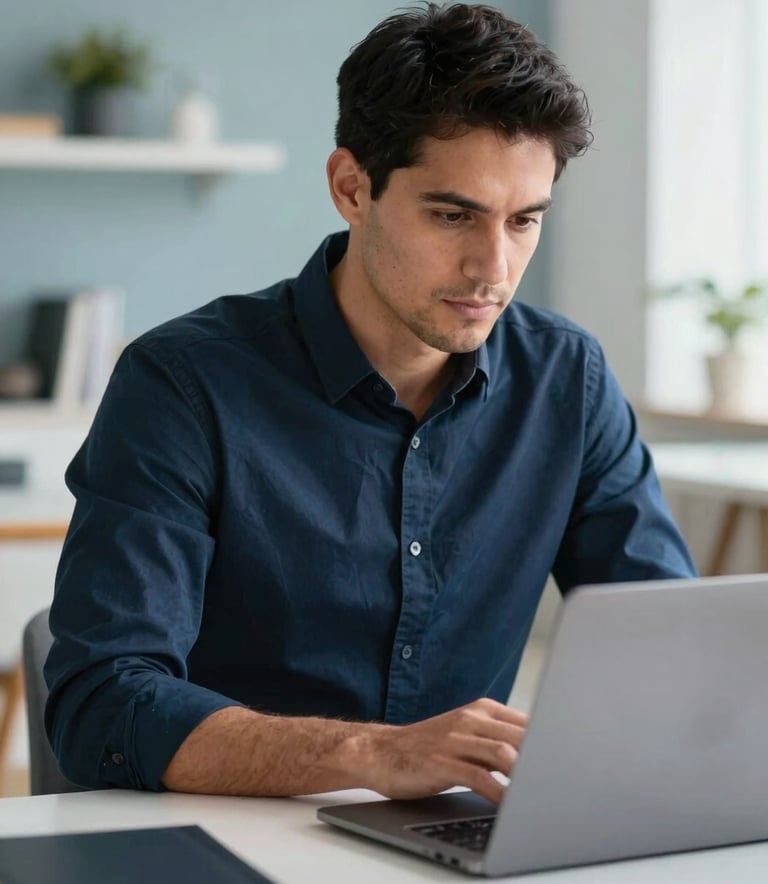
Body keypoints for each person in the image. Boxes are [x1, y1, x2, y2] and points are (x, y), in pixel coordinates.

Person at [45, 3, 695, 805]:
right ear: (352, 188)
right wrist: (372, 755)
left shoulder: (569, 380)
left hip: (453, 839)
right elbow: (102, 704)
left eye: (524, 221)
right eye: (453, 215)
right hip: (224, 834)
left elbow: (670, 652)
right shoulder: (182, 384)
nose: (493, 266)